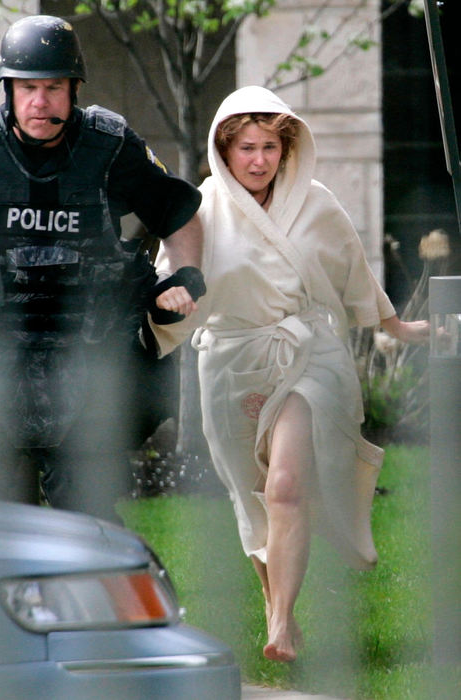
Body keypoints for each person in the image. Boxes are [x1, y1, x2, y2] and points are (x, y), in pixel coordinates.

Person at [0, 15, 205, 522]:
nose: (39, 102)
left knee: (89, 524)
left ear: (73, 90)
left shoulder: (111, 147)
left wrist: (184, 275)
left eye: (53, 87)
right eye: (27, 88)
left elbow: (181, 213)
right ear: (9, 90)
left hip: (88, 362)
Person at [147, 85, 429, 662]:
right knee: (253, 499)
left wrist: (396, 327)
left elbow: (354, 271)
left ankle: (279, 622)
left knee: (286, 486)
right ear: (223, 153)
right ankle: (281, 607)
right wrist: (171, 300)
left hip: (308, 354)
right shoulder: (198, 210)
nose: (258, 160)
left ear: (287, 147)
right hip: (229, 359)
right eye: (246, 147)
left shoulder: (316, 202)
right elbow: (170, 279)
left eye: (270, 147)